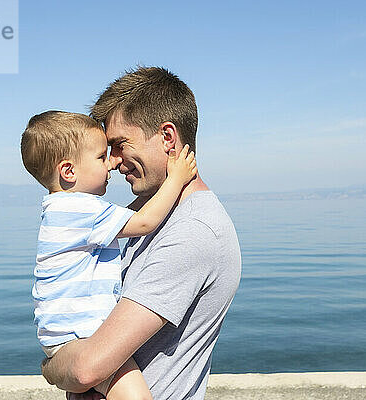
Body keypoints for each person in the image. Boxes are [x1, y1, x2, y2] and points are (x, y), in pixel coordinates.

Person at [42, 67, 241, 400]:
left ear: (167, 137)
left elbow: (85, 369)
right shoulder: (139, 215)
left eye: (120, 145)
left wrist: (52, 366)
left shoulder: (192, 232)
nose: (114, 162)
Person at [21, 111, 197, 400]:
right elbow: (144, 222)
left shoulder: (59, 210)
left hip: (64, 338)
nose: (113, 163)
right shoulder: (82, 209)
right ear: (69, 172)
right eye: (102, 157)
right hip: (83, 337)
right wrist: (176, 179)